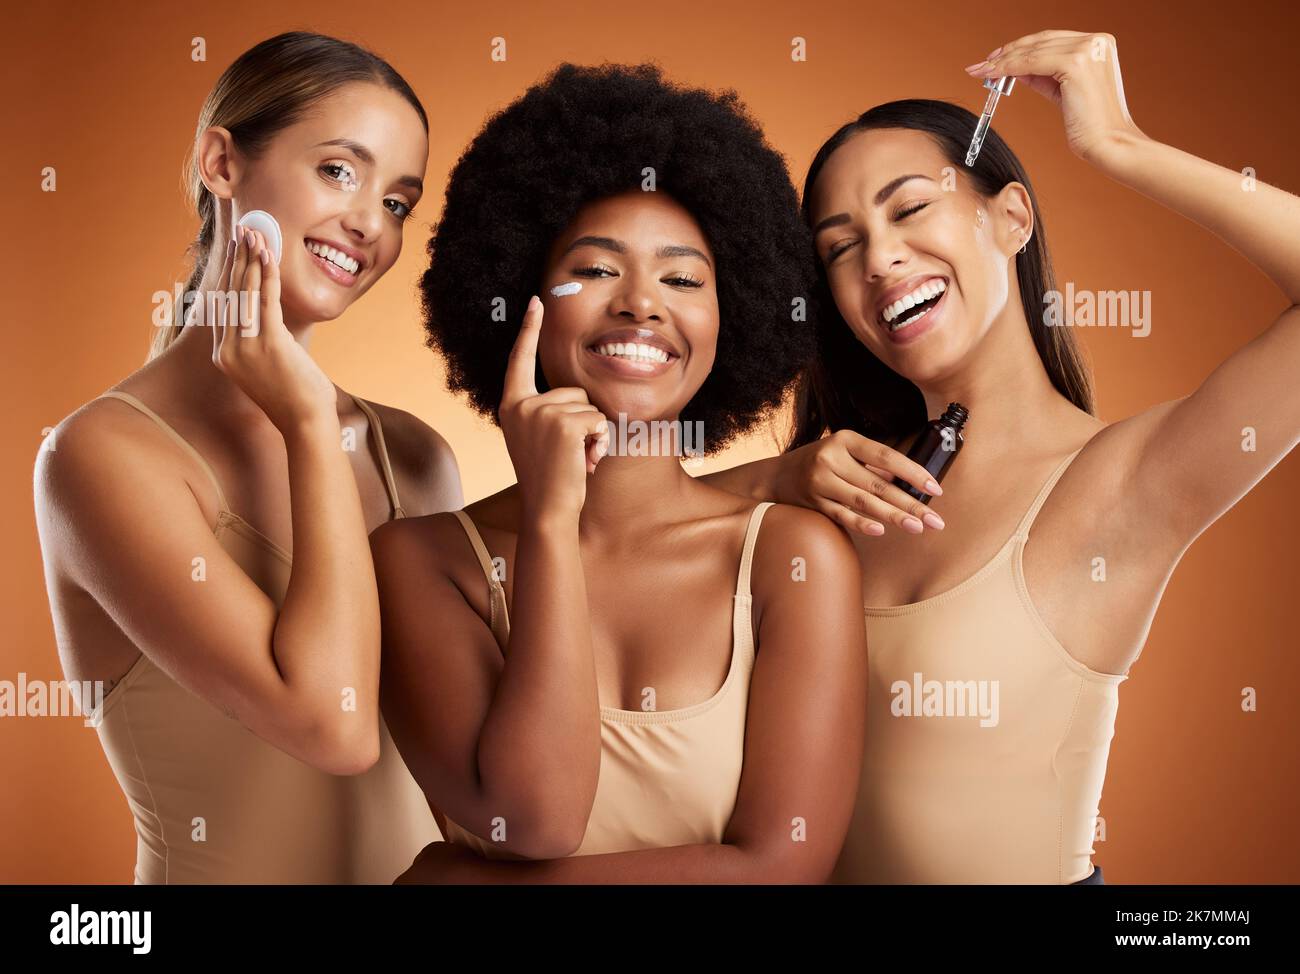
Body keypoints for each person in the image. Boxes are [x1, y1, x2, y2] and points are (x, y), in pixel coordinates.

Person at [702, 30, 1300, 883]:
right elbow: (623, 527)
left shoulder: (1119, 484)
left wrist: (1121, 146)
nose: (880, 259)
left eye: (910, 209)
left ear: (1011, 217)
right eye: (840, 246)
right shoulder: (832, 484)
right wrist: (780, 476)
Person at [375, 63, 870, 883]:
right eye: (597, 270)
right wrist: (547, 520)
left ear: (731, 320)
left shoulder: (793, 559)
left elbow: (782, 870)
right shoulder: (421, 562)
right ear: (517, 294)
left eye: (683, 279)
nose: (643, 303)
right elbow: (533, 817)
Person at [32, 31, 460, 883]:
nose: (370, 222)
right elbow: (331, 726)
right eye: (339, 170)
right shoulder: (102, 456)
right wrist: (306, 419)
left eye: (401, 202)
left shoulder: (411, 452)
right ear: (221, 163)